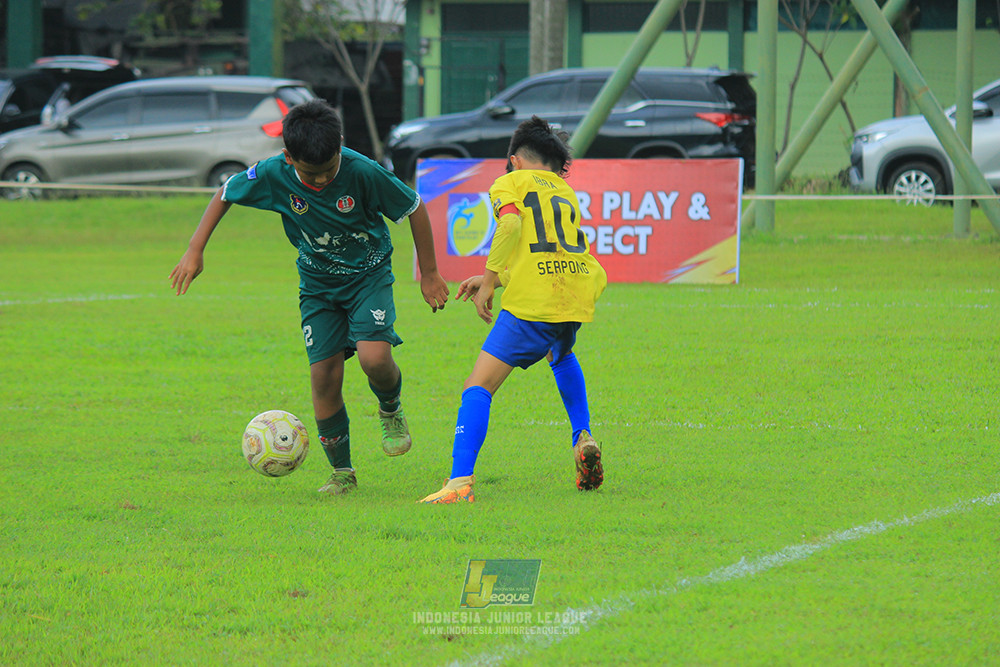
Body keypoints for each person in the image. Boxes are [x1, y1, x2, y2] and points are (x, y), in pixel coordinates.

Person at [170, 99, 449, 496]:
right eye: (309, 174)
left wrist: (430, 273)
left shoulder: (362, 171)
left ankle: (390, 407)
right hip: (318, 287)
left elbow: (414, 207)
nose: (320, 181)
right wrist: (195, 249)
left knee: (374, 359)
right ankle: (342, 472)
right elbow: (226, 192)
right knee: (323, 377)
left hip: (368, 277)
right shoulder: (274, 173)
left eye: (328, 171)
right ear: (288, 157)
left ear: (340, 147)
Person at [419, 116, 607, 504]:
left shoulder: (510, 182)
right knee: (561, 353)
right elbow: (541, 251)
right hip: (574, 293)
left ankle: (459, 483)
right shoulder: (565, 191)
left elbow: (510, 227)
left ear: (515, 161)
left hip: (535, 303)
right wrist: (495, 278)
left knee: (477, 386)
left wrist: (489, 281)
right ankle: (583, 436)